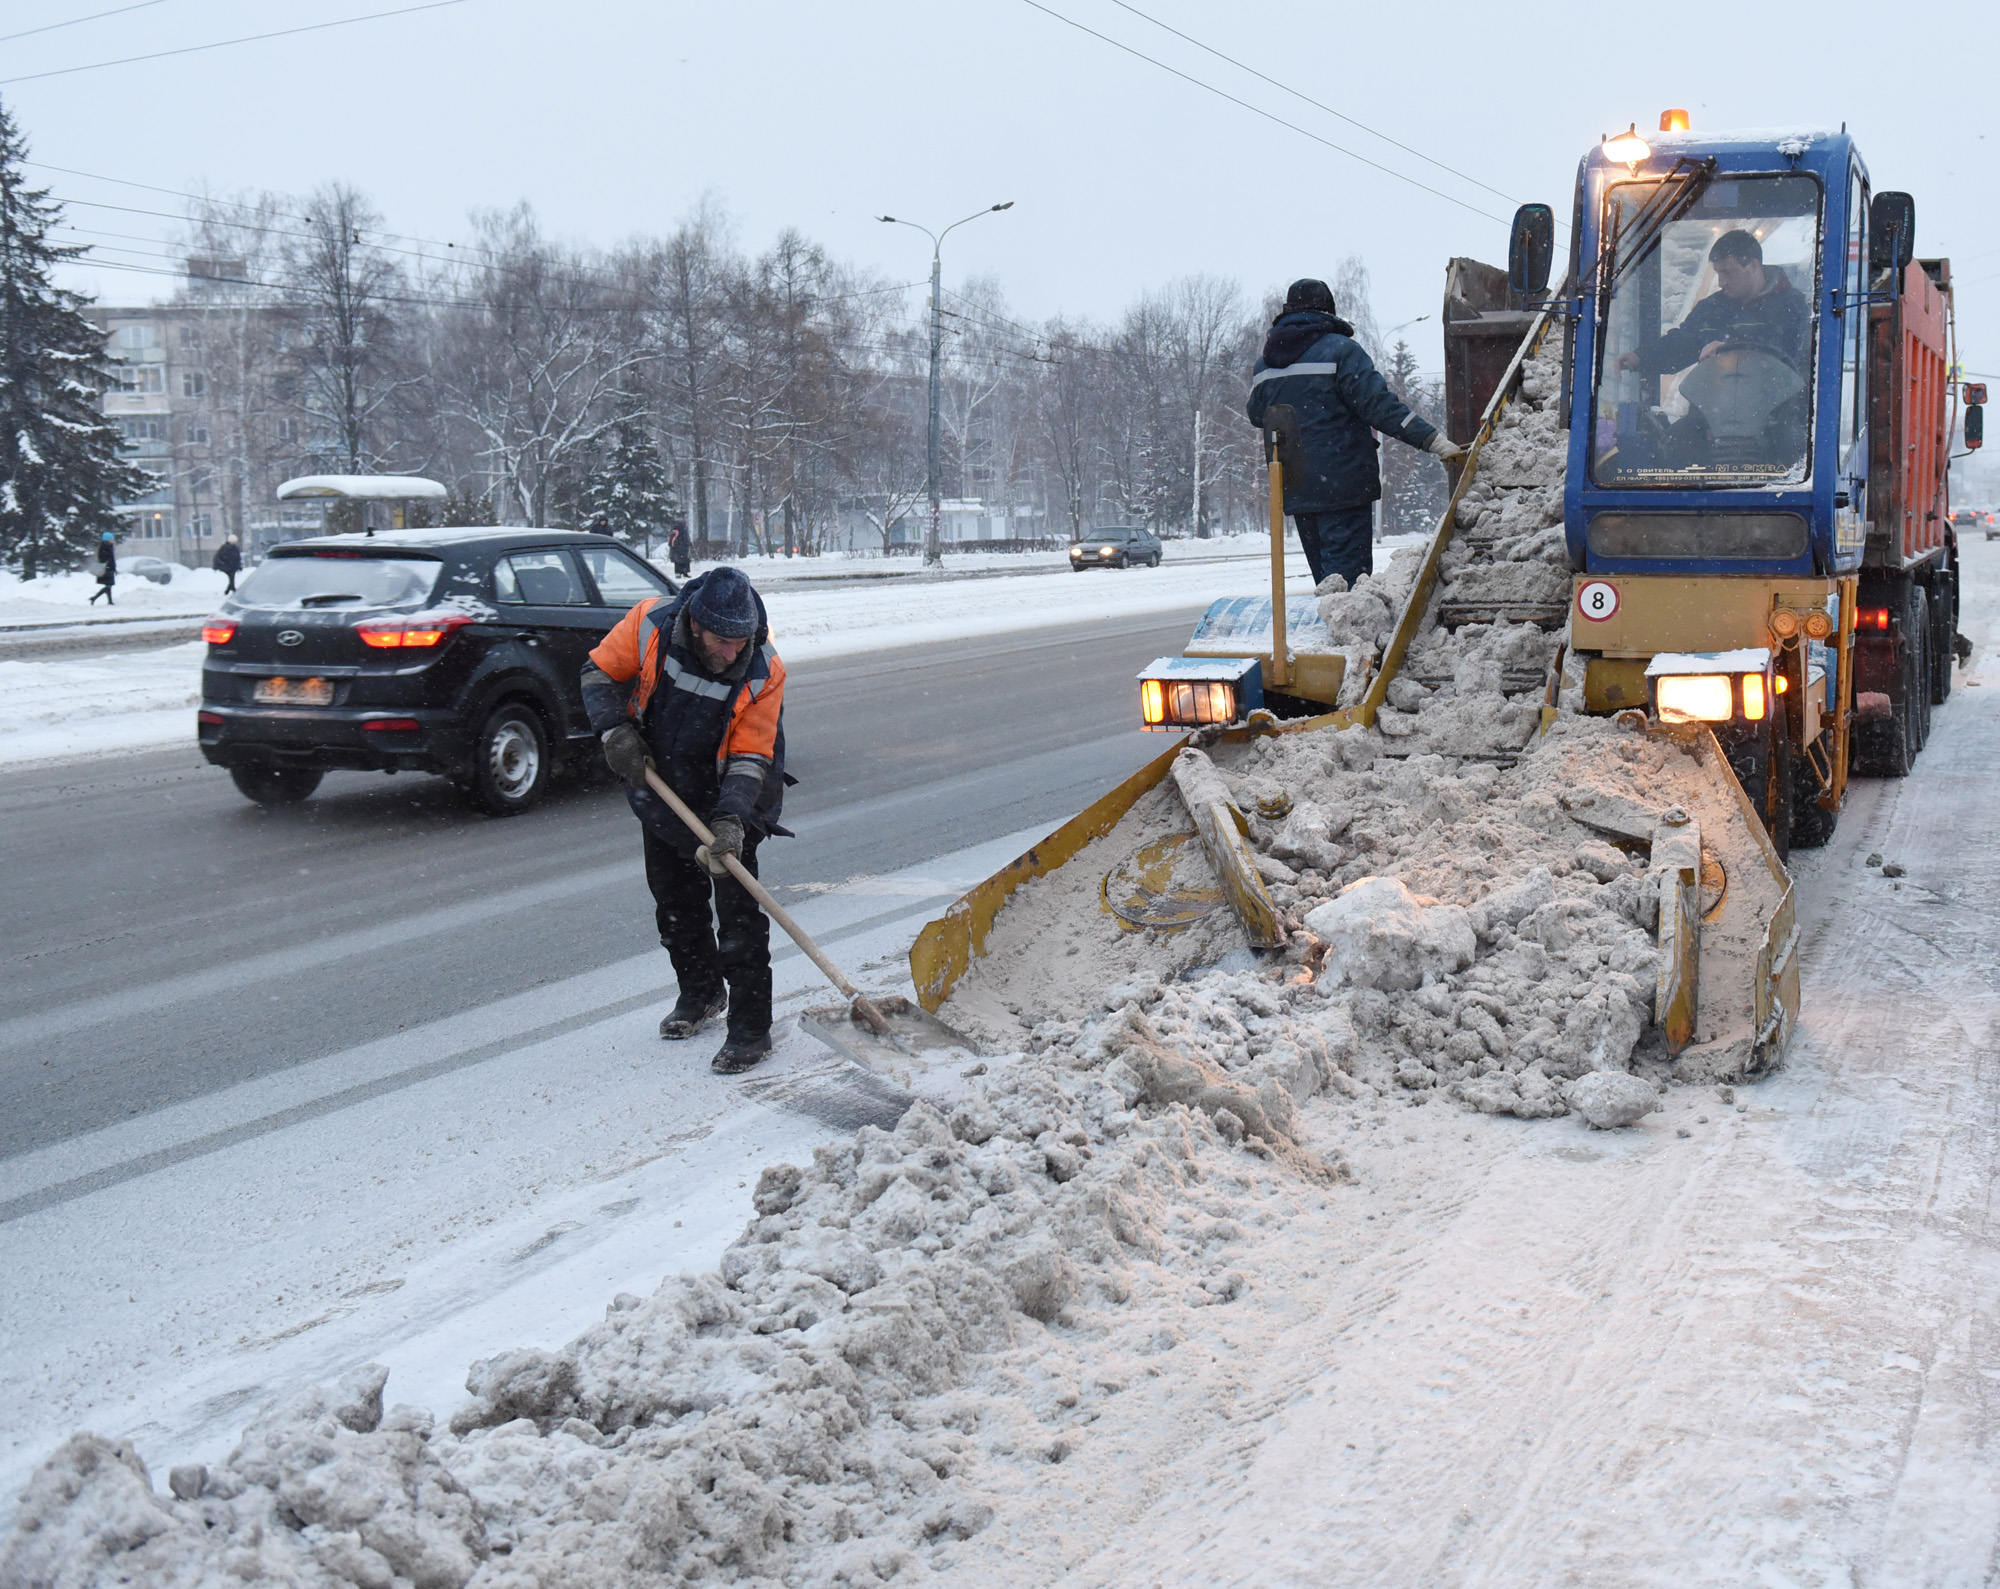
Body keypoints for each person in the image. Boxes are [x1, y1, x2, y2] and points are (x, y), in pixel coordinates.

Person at [581, 566, 788, 1074]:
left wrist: (731, 823)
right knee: (675, 902)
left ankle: (750, 1029)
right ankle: (699, 993)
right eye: (723, 641)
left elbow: (749, 757)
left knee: (739, 913)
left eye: (742, 641)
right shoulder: (648, 623)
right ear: (695, 624)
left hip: (737, 787)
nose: (733, 652)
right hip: (664, 783)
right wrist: (614, 733)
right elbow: (596, 674)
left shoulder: (764, 669)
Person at [1246, 278, 1463, 590]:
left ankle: (1334, 632)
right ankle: (1344, 638)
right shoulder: (1342, 351)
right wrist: (1433, 441)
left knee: (1327, 585)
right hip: (1343, 486)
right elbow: (1380, 407)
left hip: (1296, 487)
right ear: (1329, 310)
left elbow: (1257, 414)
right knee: (1349, 590)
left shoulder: (1265, 364)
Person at [1616, 229, 1810, 378]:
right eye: (1717, 272)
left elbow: (1787, 354)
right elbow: (1683, 343)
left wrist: (1730, 349)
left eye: (1728, 272)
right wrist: (1640, 357)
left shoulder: (1792, 305)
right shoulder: (1712, 308)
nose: (1721, 282)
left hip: (1773, 414)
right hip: (1713, 409)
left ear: (1753, 266)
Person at [88, 531, 116, 606]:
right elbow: (108, 558)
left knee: (108, 586)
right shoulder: (107, 546)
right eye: (112, 539)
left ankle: (109, 601)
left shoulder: (106, 546)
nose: (113, 540)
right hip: (107, 568)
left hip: (108, 568)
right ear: (108, 539)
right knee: (108, 585)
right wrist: (111, 566)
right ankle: (94, 597)